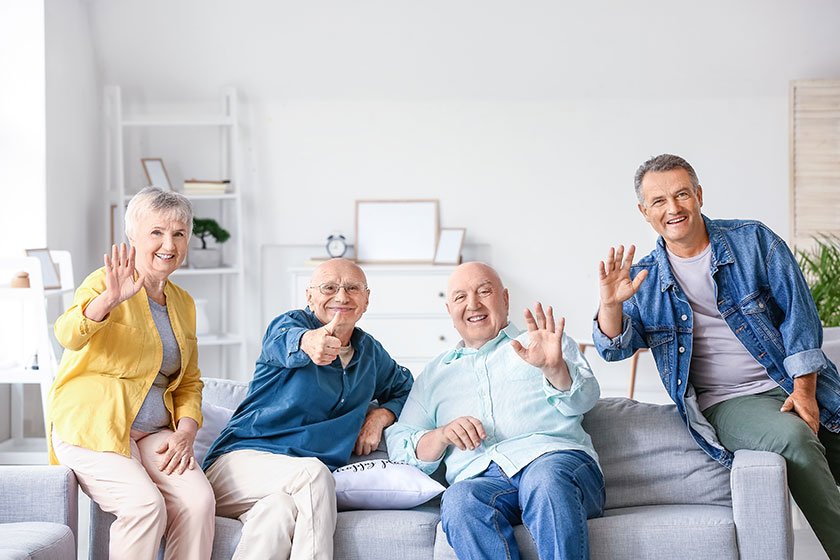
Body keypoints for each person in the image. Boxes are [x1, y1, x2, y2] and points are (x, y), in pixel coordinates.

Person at [593, 153, 840, 558]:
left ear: (699, 196)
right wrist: (610, 304)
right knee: (794, 438)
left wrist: (806, 389)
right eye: (658, 201)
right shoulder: (645, 278)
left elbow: (800, 314)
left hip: (795, 380)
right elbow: (612, 348)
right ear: (644, 212)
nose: (673, 208)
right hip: (730, 402)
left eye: (681, 194)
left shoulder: (753, 241)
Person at [386, 262, 604, 560]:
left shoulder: (542, 342)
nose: (473, 303)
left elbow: (586, 399)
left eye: (484, 291)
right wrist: (441, 435)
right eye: (461, 297)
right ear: (450, 311)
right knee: (459, 499)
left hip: (557, 466)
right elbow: (400, 447)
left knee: (545, 478)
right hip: (484, 483)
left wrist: (555, 370)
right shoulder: (434, 375)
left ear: (505, 299)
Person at [202, 257, 413, 560]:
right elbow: (286, 340)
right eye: (329, 287)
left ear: (366, 300)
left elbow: (407, 389)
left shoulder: (371, 354)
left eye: (352, 288)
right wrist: (309, 341)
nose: (341, 296)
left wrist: (380, 415)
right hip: (237, 467)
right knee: (314, 474)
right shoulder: (289, 325)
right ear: (310, 296)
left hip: (288, 489)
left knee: (279, 512)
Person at [47, 186, 215, 560]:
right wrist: (108, 300)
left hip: (152, 433)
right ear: (133, 237)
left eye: (178, 233)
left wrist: (186, 432)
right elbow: (67, 334)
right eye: (156, 232)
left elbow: (189, 382)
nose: (168, 244)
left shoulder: (184, 303)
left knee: (199, 501)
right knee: (145, 506)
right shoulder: (104, 282)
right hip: (93, 426)